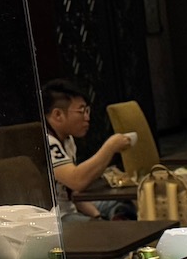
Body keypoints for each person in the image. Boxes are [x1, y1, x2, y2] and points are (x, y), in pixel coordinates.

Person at [42, 78, 132, 222]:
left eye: (87, 110)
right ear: (57, 115)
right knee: (98, 229)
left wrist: (97, 215)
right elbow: (76, 180)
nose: (87, 117)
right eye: (81, 111)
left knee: (122, 205)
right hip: (56, 218)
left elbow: (72, 193)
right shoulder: (46, 142)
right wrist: (110, 147)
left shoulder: (68, 140)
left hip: (72, 207)